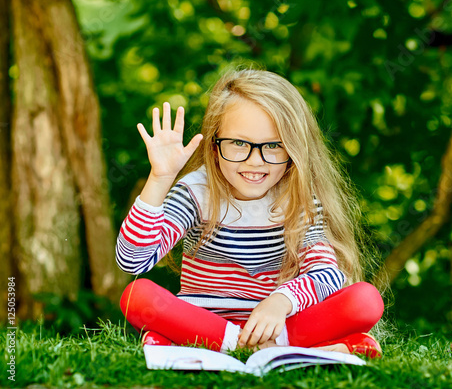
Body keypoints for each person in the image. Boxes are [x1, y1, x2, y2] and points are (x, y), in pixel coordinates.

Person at [116, 68, 384, 357]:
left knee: (365, 300)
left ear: (293, 149)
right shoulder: (196, 192)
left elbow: (326, 273)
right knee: (137, 297)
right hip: (204, 321)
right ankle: (250, 345)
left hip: (278, 322)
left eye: (273, 146)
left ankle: (202, 344)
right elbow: (133, 260)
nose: (255, 161)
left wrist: (281, 301)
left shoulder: (297, 198)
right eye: (239, 143)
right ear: (215, 144)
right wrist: (160, 178)